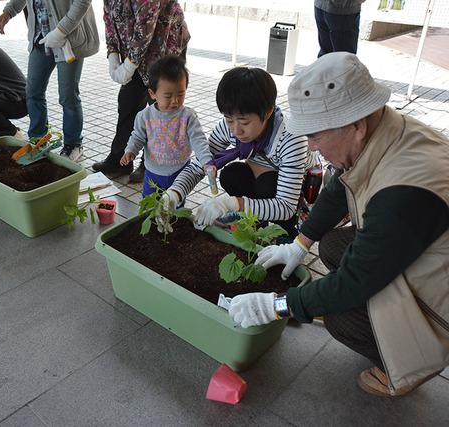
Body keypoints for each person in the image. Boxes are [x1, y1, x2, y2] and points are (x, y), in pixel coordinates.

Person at [220, 52, 449, 397]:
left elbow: (354, 281)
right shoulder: (382, 130)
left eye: (315, 135)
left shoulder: (404, 191)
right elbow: (339, 187)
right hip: (423, 251)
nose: (310, 146)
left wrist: (277, 305)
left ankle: (411, 363)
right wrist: (300, 243)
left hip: (441, 301)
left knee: (342, 317)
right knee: (331, 245)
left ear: (355, 126)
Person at [166, 67, 315, 238]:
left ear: (267, 112)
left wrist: (233, 203)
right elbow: (200, 165)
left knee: (267, 184)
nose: (236, 130)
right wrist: (174, 193)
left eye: (244, 122)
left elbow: (286, 206)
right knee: (231, 175)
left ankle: (288, 233)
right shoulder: (228, 126)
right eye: (229, 120)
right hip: (262, 173)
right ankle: (254, 221)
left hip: (298, 193)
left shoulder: (291, 138)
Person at [92, 0, 190, 183]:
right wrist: (113, 54)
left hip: (164, 45)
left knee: (161, 107)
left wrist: (129, 65)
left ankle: (151, 164)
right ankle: (120, 160)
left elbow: (146, 25)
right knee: (128, 101)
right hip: (135, 50)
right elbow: (109, 21)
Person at [0, 0, 99, 161]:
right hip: (40, 37)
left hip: (68, 40)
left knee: (68, 96)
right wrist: (9, 11)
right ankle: (38, 140)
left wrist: (60, 31)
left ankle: (74, 144)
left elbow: (82, 2)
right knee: (33, 92)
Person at [119, 55, 212, 198]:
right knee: (148, 208)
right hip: (152, 172)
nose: (175, 101)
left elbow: (199, 140)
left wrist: (206, 161)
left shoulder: (188, 116)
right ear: (152, 93)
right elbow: (137, 136)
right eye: (168, 96)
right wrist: (131, 150)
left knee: (176, 210)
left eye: (181, 94)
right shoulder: (145, 116)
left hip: (180, 172)